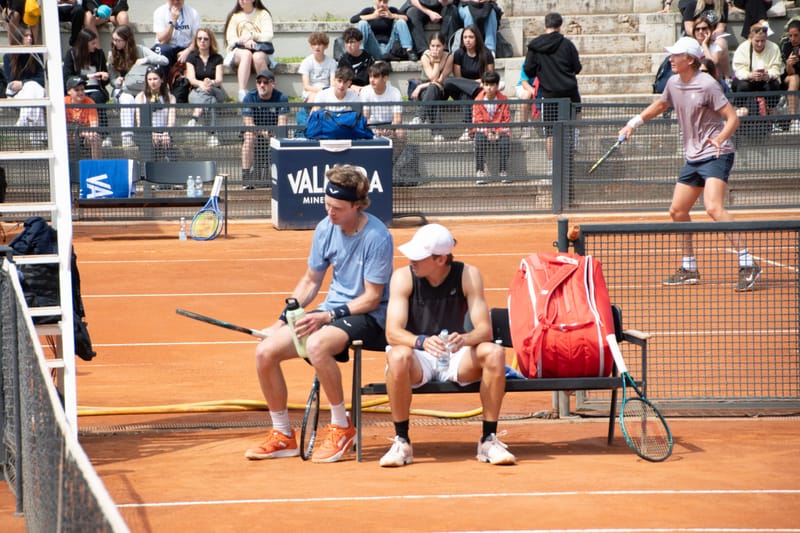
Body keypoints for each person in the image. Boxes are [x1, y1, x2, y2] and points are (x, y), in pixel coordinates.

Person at [245, 165, 394, 464]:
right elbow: (311, 281)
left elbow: (372, 297)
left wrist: (326, 317)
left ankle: (342, 427)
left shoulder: (377, 237)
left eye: (337, 208)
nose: (330, 213)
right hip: (330, 312)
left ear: (357, 205)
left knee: (316, 346)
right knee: (265, 353)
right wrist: (280, 321)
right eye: (326, 205)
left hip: (368, 316)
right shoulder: (326, 228)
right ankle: (283, 435)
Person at [618, 37, 761, 292]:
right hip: (693, 157)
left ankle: (748, 263)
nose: (671, 59)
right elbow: (661, 105)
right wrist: (632, 124)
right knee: (677, 210)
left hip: (717, 153)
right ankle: (689, 267)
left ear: (691, 60)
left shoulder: (707, 84)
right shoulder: (673, 82)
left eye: (676, 55)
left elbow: (731, 119)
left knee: (713, 207)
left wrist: (719, 139)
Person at [379, 223, 516, 467]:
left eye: (419, 257)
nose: (412, 260)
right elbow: (392, 332)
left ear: (441, 259)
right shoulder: (402, 277)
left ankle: (488, 439)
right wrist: (420, 341)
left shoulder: (468, 275)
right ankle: (402, 442)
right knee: (398, 356)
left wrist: (464, 339)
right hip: (418, 357)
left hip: (457, 355)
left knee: (494, 353)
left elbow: (484, 329)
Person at [523, 12, 582, 171]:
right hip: (569, 92)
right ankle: (575, 142)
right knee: (571, 123)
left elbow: (528, 70)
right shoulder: (568, 45)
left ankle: (551, 168)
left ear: (545, 26)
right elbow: (577, 68)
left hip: (549, 94)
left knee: (550, 132)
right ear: (560, 26)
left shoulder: (535, 45)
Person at [108, 24, 169, 148]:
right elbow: (112, 79)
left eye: (119, 40)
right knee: (127, 99)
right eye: (114, 40)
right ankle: (127, 138)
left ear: (127, 40)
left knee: (152, 98)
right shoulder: (112, 54)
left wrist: (145, 60)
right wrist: (116, 81)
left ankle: (154, 136)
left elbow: (164, 60)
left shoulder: (140, 50)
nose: (115, 43)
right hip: (124, 90)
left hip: (141, 89)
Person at [443, 24, 494, 140]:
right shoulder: (459, 54)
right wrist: (476, 83)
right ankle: (469, 128)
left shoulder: (486, 54)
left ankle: (468, 129)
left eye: (471, 37)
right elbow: (458, 79)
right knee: (448, 82)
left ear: (477, 38)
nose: (467, 40)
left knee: (466, 95)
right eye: (465, 37)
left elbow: (490, 78)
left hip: (480, 91)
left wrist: (479, 84)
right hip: (467, 88)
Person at [62, 28, 111, 147]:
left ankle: (104, 135)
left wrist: (105, 77)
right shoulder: (72, 54)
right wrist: (89, 76)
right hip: (78, 88)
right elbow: (67, 77)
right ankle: (80, 135)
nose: (95, 46)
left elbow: (105, 77)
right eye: (92, 43)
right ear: (85, 43)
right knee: (82, 97)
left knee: (96, 99)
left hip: (96, 88)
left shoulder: (99, 54)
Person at [241, 69, 289, 188]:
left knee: (281, 138)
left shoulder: (281, 98)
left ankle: (281, 178)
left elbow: (282, 124)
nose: (262, 85)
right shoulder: (249, 97)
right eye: (259, 82)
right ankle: (246, 178)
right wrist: (262, 132)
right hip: (255, 132)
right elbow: (248, 123)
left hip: (274, 132)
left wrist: (273, 133)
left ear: (273, 84)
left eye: (266, 82)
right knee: (248, 137)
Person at [223, 0, 275, 102]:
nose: (241, 1)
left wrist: (252, 36)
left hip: (260, 50)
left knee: (258, 57)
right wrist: (244, 42)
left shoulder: (263, 14)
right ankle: (242, 92)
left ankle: (267, 92)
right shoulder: (235, 16)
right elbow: (230, 39)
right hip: (239, 51)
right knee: (246, 54)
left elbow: (269, 35)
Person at [4, 25, 46, 145]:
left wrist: (23, 83)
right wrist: (24, 85)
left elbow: (42, 78)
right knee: (33, 88)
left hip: (35, 90)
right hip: (17, 94)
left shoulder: (37, 55)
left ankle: (23, 121)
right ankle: (38, 137)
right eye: (26, 36)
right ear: (19, 38)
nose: (30, 39)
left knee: (33, 87)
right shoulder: (9, 56)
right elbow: (11, 81)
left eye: (31, 36)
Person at [731, 23, 783, 117]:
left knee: (774, 85)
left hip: (765, 81)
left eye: (763, 41)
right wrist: (749, 75)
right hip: (748, 80)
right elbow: (738, 70)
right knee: (742, 85)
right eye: (757, 41)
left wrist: (769, 75)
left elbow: (776, 68)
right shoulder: (742, 48)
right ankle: (739, 109)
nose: (760, 44)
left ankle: (771, 110)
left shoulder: (774, 48)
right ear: (750, 38)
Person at [185, 27, 226, 147]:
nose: (202, 41)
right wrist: (202, 84)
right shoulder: (192, 58)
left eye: (206, 39)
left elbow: (219, 80)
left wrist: (210, 82)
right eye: (200, 38)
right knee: (211, 101)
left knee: (212, 95)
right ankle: (212, 135)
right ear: (196, 41)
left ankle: (195, 115)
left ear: (210, 41)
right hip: (196, 91)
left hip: (215, 90)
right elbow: (191, 79)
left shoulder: (217, 58)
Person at [409, 32, 452, 139]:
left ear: (444, 46)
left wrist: (436, 61)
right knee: (433, 95)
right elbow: (431, 78)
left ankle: (419, 116)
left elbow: (438, 80)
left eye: (438, 46)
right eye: (432, 46)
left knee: (434, 88)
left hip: (441, 89)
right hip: (425, 91)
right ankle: (437, 133)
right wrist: (422, 86)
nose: (435, 49)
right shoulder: (425, 57)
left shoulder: (449, 57)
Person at [470, 71, 510, 184]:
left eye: (492, 85)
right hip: (483, 130)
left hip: (499, 130)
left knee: (505, 140)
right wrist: (488, 133)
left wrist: (497, 132)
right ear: (482, 85)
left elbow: (506, 120)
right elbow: (477, 121)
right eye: (487, 85)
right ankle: (480, 171)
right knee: (479, 139)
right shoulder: (478, 100)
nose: (489, 88)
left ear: (497, 86)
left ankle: (503, 171)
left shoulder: (504, 100)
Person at [351, 0, 417, 61]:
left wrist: (392, 15)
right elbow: (353, 19)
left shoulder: (391, 10)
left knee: (401, 22)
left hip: (389, 47)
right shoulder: (369, 10)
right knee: (362, 23)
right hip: (374, 47)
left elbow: (408, 19)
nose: (382, 4)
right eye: (380, 1)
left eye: (385, 2)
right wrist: (372, 16)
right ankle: (360, 52)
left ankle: (409, 51)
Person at [135, 66, 176, 160]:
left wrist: (166, 133)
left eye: (155, 79)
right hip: (146, 132)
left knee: (169, 150)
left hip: (164, 132)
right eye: (149, 79)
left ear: (161, 80)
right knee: (149, 147)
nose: (152, 82)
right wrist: (151, 133)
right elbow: (139, 120)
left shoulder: (171, 98)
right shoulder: (140, 97)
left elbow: (171, 120)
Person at [152, 0, 201, 70]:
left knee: (196, 53)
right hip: (167, 47)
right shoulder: (159, 12)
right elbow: (162, 40)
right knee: (163, 51)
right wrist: (173, 21)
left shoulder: (193, 13)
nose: (175, 2)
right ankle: (162, 79)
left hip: (186, 48)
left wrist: (188, 51)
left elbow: (197, 39)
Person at [360, 60, 403, 138]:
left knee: (401, 132)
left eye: (375, 77)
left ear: (385, 78)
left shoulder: (395, 92)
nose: (371, 80)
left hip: (390, 125)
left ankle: (397, 151)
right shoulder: (365, 91)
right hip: (371, 126)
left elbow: (397, 119)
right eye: (370, 76)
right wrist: (374, 129)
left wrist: (389, 128)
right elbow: (365, 117)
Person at [65, 76, 102, 160]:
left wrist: (81, 133)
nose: (81, 93)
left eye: (82, 90)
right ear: (69, 92)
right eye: (77, 90)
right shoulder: (64, 102)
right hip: (69, 134)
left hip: (85, 136)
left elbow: (94, 126)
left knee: (95, 137)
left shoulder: (90, 102)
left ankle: (96, 165)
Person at [298, 31, 338, 104]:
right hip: (310, 92)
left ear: (326, 46)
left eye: (320, 44)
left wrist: (324, 91)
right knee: (313, 98)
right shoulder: (306, 62)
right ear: (311, 45)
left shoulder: (332, 62)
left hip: (327, 91)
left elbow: (332, 84)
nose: (317, 47)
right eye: (314, 44)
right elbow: (306, 86)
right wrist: (319, 91)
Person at [691, 12, 731, 81]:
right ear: (694, 32)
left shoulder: (715, 47)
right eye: (697, 29)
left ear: (710, 31)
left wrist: (704, 44)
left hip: (710, 79)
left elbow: (712, 63)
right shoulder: (690, 46)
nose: (700, 31)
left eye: (704, 28)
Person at [337, 27, 375, 94]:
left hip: (365, 90)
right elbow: (340, 80)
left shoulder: (368, 59)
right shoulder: (343, 60)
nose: (349, 45)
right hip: (348, 90)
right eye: (346, 42)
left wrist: (364, 89)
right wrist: (352, 86)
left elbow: (373, 78)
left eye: (352, 42)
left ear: (360, 42)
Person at [779, 19, 800, 132]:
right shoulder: (786, 45)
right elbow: (790, 72)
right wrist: (789, 64)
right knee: (795, 78)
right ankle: (794, 120)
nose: (793, 39)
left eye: (796, 35)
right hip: (789, 77)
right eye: (790, 35)